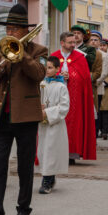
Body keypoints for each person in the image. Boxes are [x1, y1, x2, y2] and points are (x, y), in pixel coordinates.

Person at [0, 4, 48, 215]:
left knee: (24, 167)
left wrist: (21, 56)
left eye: (14, 29)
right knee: (0, 167)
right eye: (8, 29)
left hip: (26, 118)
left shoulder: (38, 51)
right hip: (2, 116)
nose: (10, 33)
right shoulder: (0, 50)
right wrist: (3, 61)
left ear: (24, 30)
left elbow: (39, 74)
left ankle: (23, 209)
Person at [52, 31, 96, 162]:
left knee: (72, 124)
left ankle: (71, 153)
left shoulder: (80, 57)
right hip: (56, 98)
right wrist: (59, 75)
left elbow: (85, 78)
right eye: (70, 42)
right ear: (62, 43)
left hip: (74, 99)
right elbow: (46, 73)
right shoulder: (54, 57)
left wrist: (71, 75)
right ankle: (55, 152)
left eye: (74, 42)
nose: (73, 45)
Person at [37, 57, 70, 194]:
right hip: (42, 125)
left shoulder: (61, 87)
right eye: (46, 67)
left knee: (51, 152)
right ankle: (48, 177)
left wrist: (47, 112)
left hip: (55, 125)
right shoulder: (40, 84)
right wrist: (38, 107)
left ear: (57, 69)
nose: (47, 70)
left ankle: (47, 180)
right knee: (43, 152)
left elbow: (64, 107)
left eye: (50, 67)